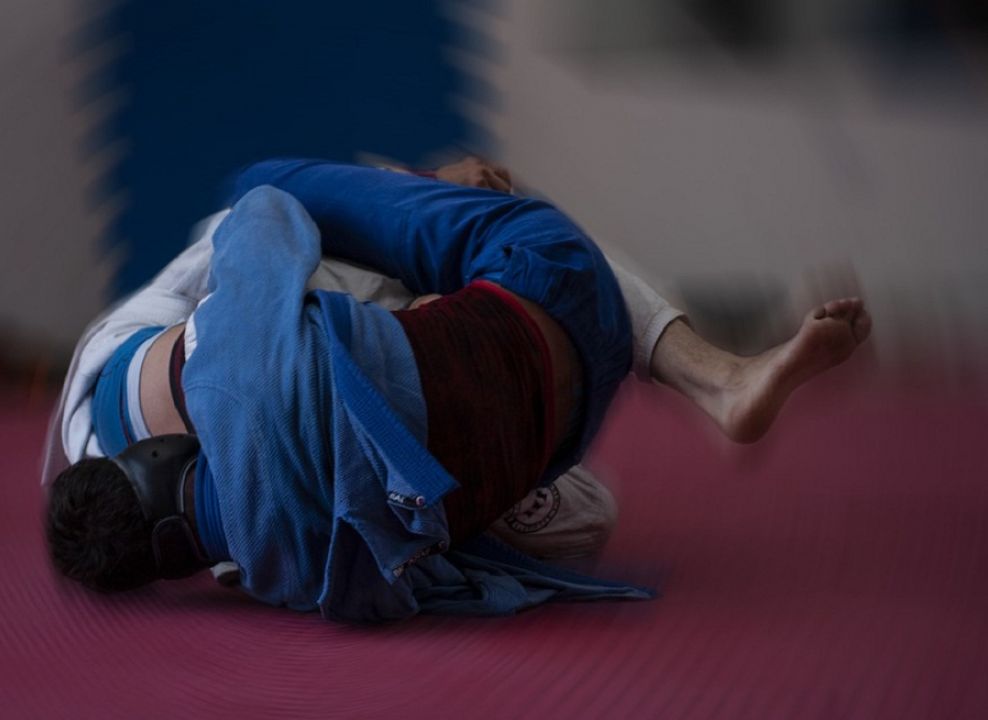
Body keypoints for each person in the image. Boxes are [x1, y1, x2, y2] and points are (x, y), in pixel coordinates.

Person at [45, 158, 871, 622]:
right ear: (160, 456)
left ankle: (716, 378)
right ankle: (715, 376)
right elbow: (266, 208)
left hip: (514, 436)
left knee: (577, 513)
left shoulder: (275, 575)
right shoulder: (199, 355)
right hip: (446, 324)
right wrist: (421, 191)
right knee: (273, 185)